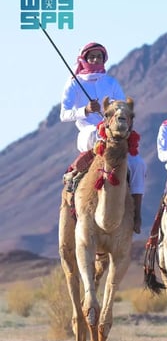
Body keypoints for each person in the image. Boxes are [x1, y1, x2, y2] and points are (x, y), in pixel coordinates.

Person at [60, 42, 146, 233]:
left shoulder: (111, 83)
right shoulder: (75, 83)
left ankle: (135, 215)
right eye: (92, 56)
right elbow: (64, 114)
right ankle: (77, 197)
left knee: (138, 164)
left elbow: (121, 107)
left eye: (99, 56)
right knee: (94, 136)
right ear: (84, 58)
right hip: (88, 133)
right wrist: (85, 110)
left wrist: (112, 115)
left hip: (111, 134)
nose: (95, 60)